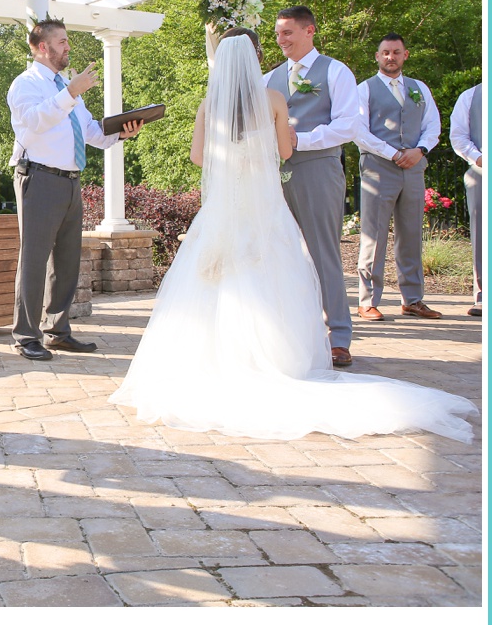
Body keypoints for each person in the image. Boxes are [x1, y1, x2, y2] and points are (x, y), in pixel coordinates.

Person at [113, 27, 478, 442]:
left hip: (222, 207)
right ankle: (275, 359)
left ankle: (214, 359)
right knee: (273, 275)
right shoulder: (272, 100)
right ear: (254, 58)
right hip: (263, 204)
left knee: (214, 279)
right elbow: (286, 152)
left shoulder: (207, 104)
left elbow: (199, 157)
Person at [6, 19, 144, 361]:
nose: (68, 47)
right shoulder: (26, 85)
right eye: (62, 41)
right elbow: (36, 121)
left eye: (67, 41)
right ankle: (26, 336)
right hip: (38, 179)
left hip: (70, 180)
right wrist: (70, 93)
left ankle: (57, 331)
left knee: (67, 261)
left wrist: (121, 132)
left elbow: (91, 133)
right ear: (43, 47)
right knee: (35, 260)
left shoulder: (67, 87)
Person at [265, 5, 360, 367]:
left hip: (318, 166)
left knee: (323, 252)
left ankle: (338, 335)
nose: (281, 39)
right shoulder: (269, 77)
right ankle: (294, 336)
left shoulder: (336, 71)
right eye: (278, 33)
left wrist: (300, 139)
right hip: (274, 173)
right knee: (283, 253)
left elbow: (349, 126)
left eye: (288, 32)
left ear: (310, 31)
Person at [355, 36, 441, 327]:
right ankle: (367, 301)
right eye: (385, 53)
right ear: (377, 56)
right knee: (374, 236)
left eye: (396, 52)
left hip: (414, 167)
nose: (390, 57)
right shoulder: (364, 89)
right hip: (379, 169)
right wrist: (393, 153)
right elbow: (359, 131)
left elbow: (433, 125)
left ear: (406, 54)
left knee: (412, 233)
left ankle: (412, 299)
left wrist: (420, 151)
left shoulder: (419, 88)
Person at [450, 82, 483, 318]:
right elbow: (459, 136)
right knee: (483, 236)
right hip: (482, 172)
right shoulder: (471, 97)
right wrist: (480, 159)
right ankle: (484, 296)